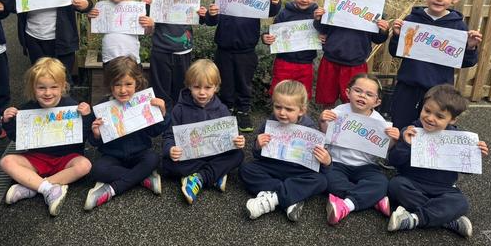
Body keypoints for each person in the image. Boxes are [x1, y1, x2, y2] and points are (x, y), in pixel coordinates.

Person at [387, 84, 489, 238]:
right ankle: (446, 219)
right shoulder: (411, 131)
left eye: (439, 116)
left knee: (461, 202)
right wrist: (406, 144)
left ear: (452, 120)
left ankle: (414, 219)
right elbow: (394, 160)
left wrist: (474, 155)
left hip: (443, 188)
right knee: (395, 186)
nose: (430, 118)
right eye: (427, 111)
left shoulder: (459, 138)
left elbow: (467, 170)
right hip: (412, 182)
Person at [388, 0, 483, 129]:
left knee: (432, 130)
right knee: (401, 126)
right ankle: (400, 146)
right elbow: (395, 52)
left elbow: (466, 62)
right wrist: (397, 36)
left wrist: (470, 48)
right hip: (408, 88)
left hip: (439, 92)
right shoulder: (412, 20)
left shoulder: (458, 26)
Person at [0, 57, 93, 216]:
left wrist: (87, 117)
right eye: (41, 88)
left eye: (54, 87)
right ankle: (49, 189)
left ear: (62, 87)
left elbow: (83, 137)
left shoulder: (72, 107)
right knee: (6, 161)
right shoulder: (26, 110)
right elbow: (19, 139)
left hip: (66, 158)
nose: (48, 93)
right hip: (37, 158)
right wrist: (8, 122)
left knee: (84, 165)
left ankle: (33, 186)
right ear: (33, 88)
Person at [204, 0, 281, 132]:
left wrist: (275, 2)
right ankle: (226, 111)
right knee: (225, 83)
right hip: (224, 50)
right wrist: (211, 14)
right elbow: (211, 22)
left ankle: (243, 112)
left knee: (244, 83)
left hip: (247, 51)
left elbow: (270, 12)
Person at [84, 56, 170, 210]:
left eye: (128, 84)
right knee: (97, 170)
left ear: (137, 82)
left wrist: (162, 114)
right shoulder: (102, 107)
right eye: (117, 84)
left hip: (140, 153)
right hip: (112, 156)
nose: (123, 90)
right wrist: (96, 134)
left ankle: (112, 190)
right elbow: (93, 141)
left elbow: (154, 132)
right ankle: (143, 177)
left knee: (153, 158)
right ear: (110, 85)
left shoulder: (144, 103)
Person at [239, 80, 332, 221]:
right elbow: (258, 156)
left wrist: (327, 161)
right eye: (278, 107)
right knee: (246, 169)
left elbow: (318, 165)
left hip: (298, 171)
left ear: (301, 110)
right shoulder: (269, 123)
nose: (282, 113)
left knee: (321, 180)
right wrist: (258, 145)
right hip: (273, 167)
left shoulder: (310, 128)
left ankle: (272, 198)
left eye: (289, 109)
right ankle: (293, 196)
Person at [319, 73, 399, 225]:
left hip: (366, 166)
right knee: (326, 180)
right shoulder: (339, 111)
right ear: (348, 93)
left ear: (377, 102)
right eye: (358, 91)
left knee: (382, 182)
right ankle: (372, 198)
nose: (362, 96)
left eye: (369, 94)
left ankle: (346, 205)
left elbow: (383, 149)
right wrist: (323, 121)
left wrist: (393, 140)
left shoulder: (380, 122)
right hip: (337, 163)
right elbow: (326, 134)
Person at [162, 59, 245, 204]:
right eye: (196, 87)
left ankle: (199, 178)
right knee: (166, 164)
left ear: (216, 87)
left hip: (214, 155)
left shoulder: (222, 109)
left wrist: (238, 141)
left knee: (238, 155)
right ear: (189, 86)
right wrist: (170, 149)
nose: (202, 92)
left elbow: (231, 137)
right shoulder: (179, 109)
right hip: (191, 157)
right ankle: (215, 174)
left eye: (208, 87)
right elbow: (168, 135)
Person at [314, 0, 389, 108]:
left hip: (355, 65)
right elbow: (323, 29)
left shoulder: (375, 9)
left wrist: (383, 29)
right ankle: (326, 122)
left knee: (352, 103)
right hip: (330, 61)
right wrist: (319, 18)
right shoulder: (336, 2)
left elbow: (378, 39)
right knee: (327, 102)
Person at [141, 0, 206, 110]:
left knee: (181, 88)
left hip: (183, 53)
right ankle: (162, 117)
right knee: (160, 89)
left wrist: (205, 14)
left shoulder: (191, 2)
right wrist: (146, 10)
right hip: (160, 52)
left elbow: (205, 21)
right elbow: (146, 30)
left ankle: (179, 116)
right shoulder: (156, 1)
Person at [262, 0, 324, 98]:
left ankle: (299, 111)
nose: (304, 0)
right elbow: (273, 32)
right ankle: (278, 110)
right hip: (283, 62)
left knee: (302, 95)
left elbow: (324, 32)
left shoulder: (318, 14)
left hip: (306, 64)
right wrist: (266, 37)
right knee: (279, 92)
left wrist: (322, 34)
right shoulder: (284, 13)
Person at [87, 0, 151, 65]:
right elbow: (98, 27)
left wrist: (150, 24)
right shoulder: (102, 8)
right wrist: (91, 18)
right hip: (109, 59)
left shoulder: (136, 8)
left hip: (131, 61)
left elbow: (146, 32)